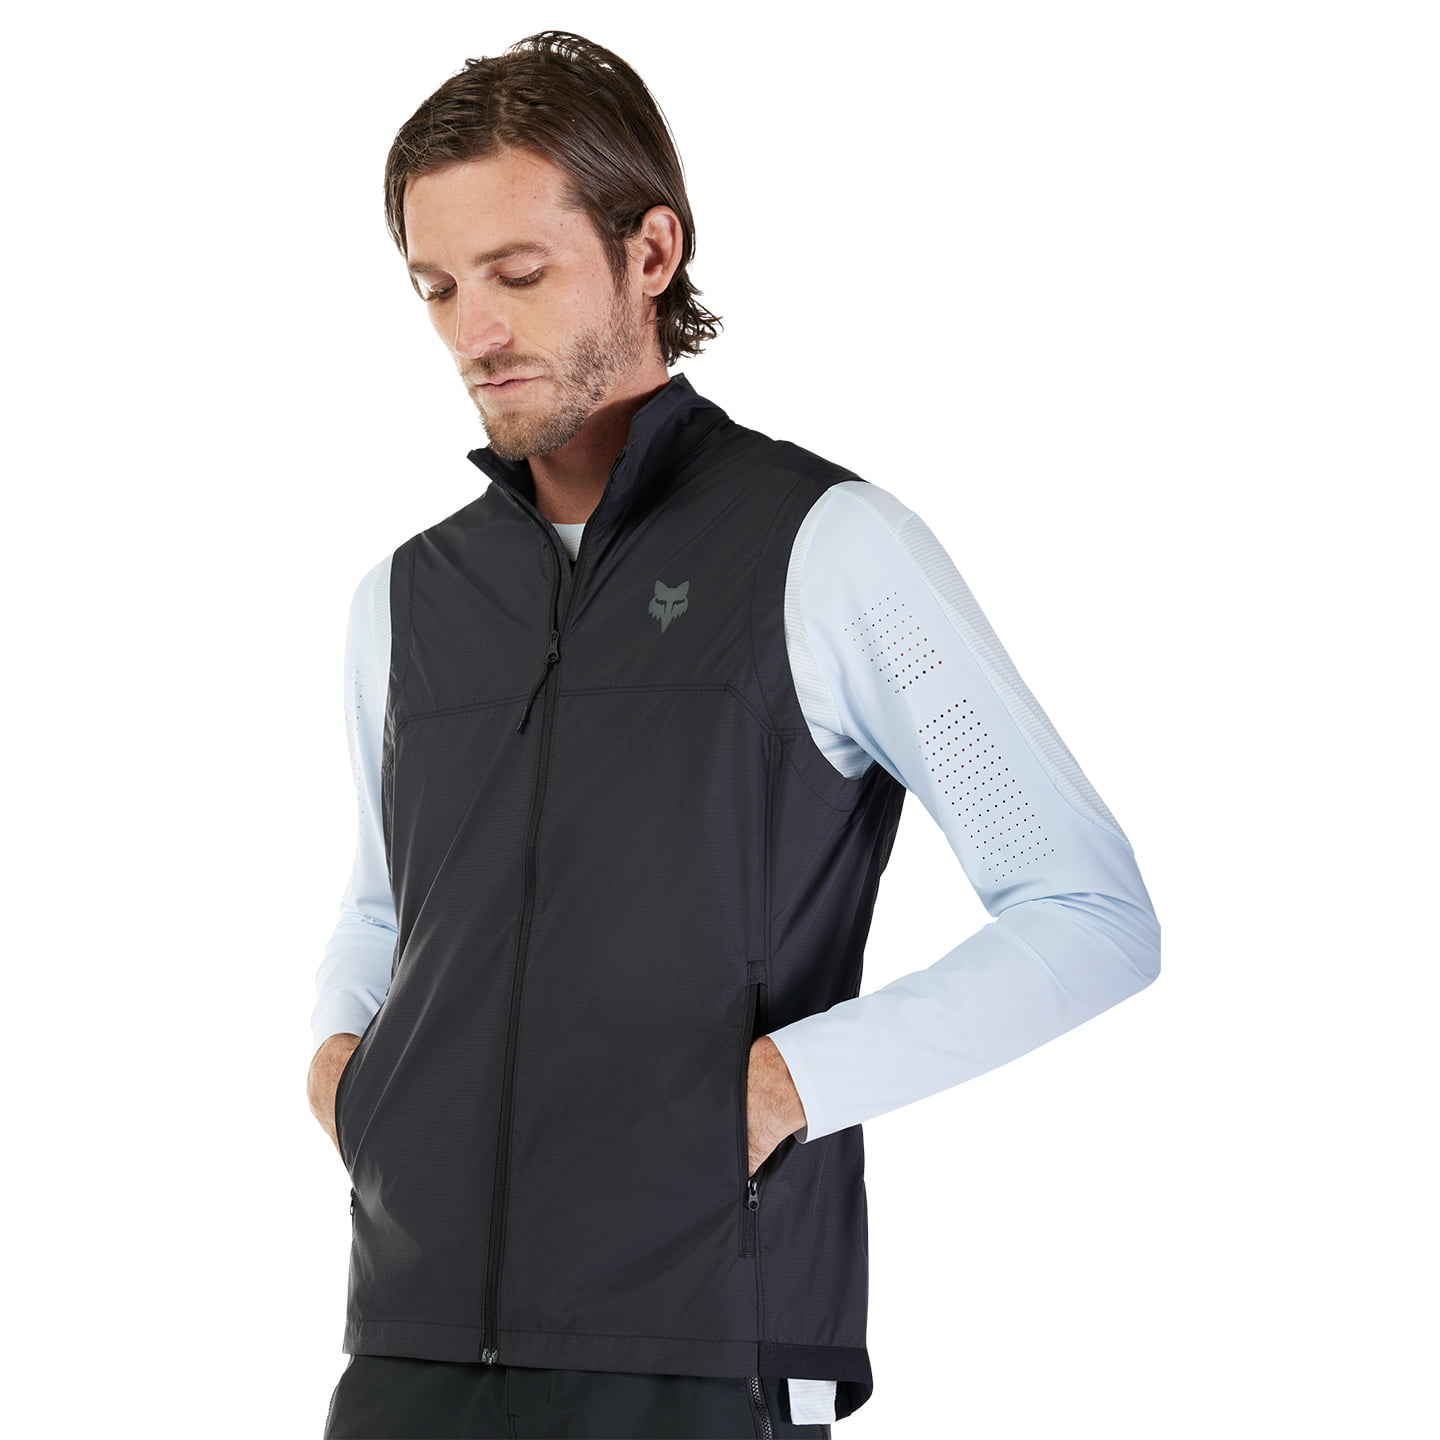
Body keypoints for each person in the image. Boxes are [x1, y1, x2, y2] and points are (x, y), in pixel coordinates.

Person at [307, 30, 1161, 1440]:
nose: (475, 332)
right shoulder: (405, 599)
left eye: (518, 273)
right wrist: (345, 1071)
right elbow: (386, 907)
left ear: (649, 252)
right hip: (413, 1334)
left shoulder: (827, 550)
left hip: (704, 1336)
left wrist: (779, 1089)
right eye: (438, 286)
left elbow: (1089, 914)